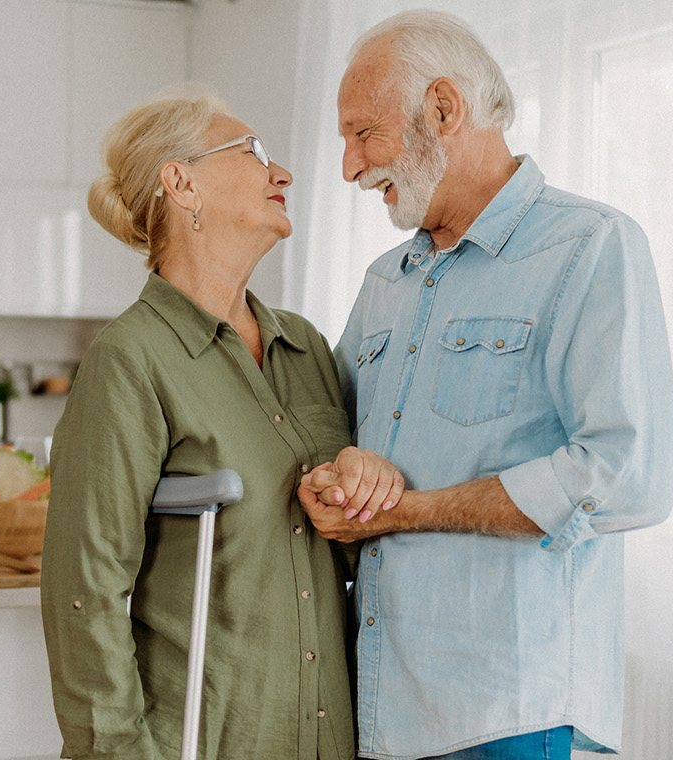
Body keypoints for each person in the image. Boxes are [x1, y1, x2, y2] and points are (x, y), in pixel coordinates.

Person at [298, 10, 673, 760]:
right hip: (377, 711)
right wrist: (333, 474)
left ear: (442, 109)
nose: (349, 167)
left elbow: (628, 474)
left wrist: (404, 512)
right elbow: (329, 432)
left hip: (512, 714)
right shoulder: (385, 283)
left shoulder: (590, 246)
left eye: (361, 133)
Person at [41, 85, 399, 760]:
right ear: (182, 183)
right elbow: (83, 592)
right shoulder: (132, 360)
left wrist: (367, 486)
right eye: (253, 151)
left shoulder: (306, 348)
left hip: (325, 740)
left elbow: (353, 550)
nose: (282, 172)